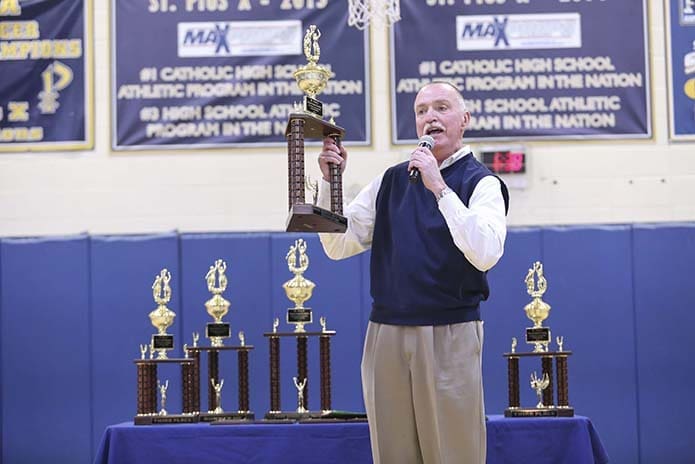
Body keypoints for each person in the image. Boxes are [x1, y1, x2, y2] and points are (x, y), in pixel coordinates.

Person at [316, 81, 509, 464]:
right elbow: (338, 245)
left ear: (464, 119)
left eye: (441, 107)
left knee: (454, 453)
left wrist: (439, 188)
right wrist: (329, 182)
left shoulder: (481, 182)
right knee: (393, 454)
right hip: (385, 333)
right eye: (422, 111)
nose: (430, 117)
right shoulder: (391, 180)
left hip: (448, 333)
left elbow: (485, 252)